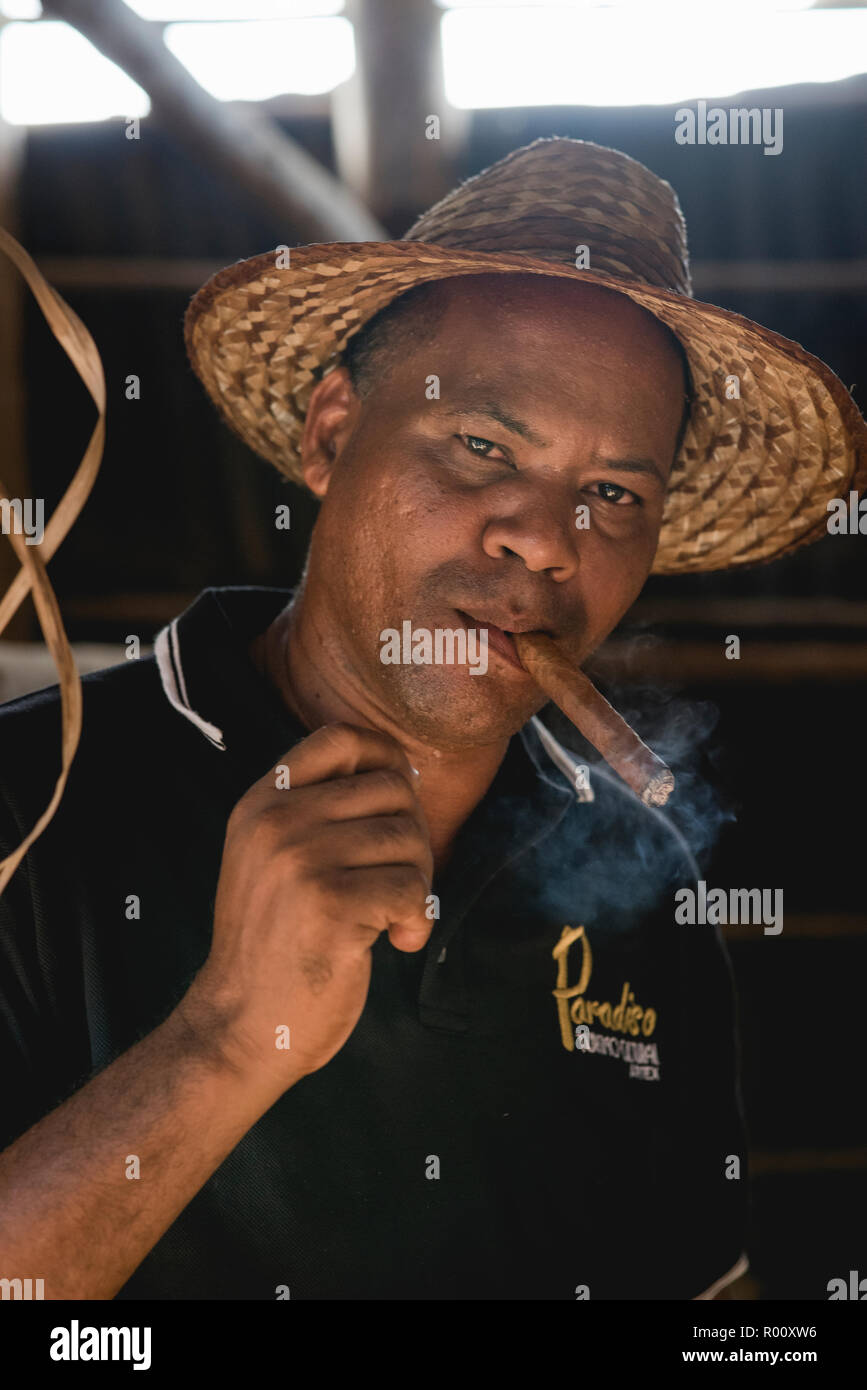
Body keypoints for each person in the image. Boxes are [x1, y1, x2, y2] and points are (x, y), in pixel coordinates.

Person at [0, 138, 863, 1301]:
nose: (548, 541)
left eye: (613, 493)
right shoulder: (32, 800)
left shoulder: (644, 885)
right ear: (330, 433)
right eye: (483, 445)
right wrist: (227, 1037)